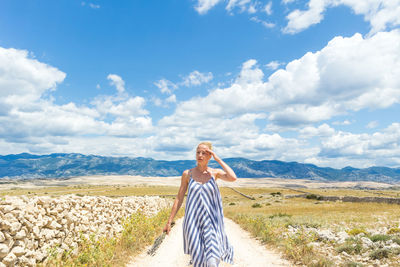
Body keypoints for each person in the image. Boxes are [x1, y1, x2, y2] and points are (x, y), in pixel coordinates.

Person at [163, 142, 237, 267]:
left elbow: (233, 177)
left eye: (204, 153)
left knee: (213, 260)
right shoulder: (188, 174)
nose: (200, 155)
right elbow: (179, 198)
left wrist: (218, 159)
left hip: (212, 222)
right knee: (198, 259)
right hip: (193, 222)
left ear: (210, 156)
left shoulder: (215, 173)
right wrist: (169, 221)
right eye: (198, 152)